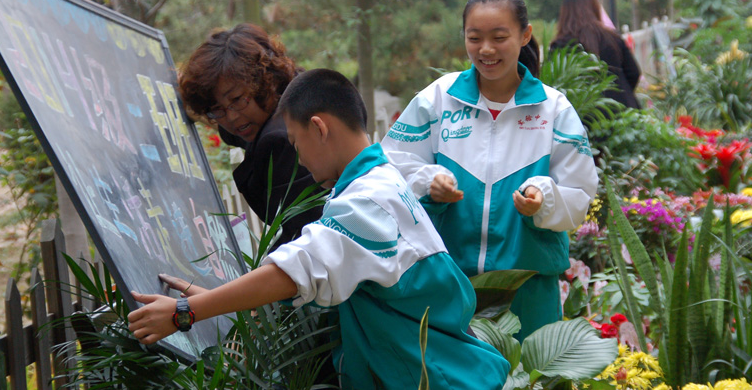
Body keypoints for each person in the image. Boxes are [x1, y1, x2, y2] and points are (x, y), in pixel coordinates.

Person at [129, 69, 510, 390]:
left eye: (295, 142)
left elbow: (294, 271)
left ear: (319, 128)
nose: (297, 156)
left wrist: (186, 311)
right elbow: (316, 277)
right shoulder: (383, 181)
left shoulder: (366, 202)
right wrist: (211, 301)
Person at [380, 0, 599, 341]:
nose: (486, 50)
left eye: (499, 37)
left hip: (528, 290)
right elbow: (391, 168)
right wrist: (428, 182)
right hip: (449, 284)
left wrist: (543, 199)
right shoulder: (436, 100)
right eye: (474, 37)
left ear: (524, 35)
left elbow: (579, 195)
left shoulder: (554, 110)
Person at [177, 24, 323, 249]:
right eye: (217, 109)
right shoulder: (296, 93)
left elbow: (304, 239)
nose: (232, 118)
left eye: (237, 99)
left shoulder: (282, 141)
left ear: (266, 81)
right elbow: (234, 130)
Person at [550, 0, 641, 109]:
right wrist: (620, 91)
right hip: (624, 111)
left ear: (565, 12)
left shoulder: (561, 46)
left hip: (585, 117)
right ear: (594, 7)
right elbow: (633, 72)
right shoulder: (612, 38)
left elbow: (554, 85)